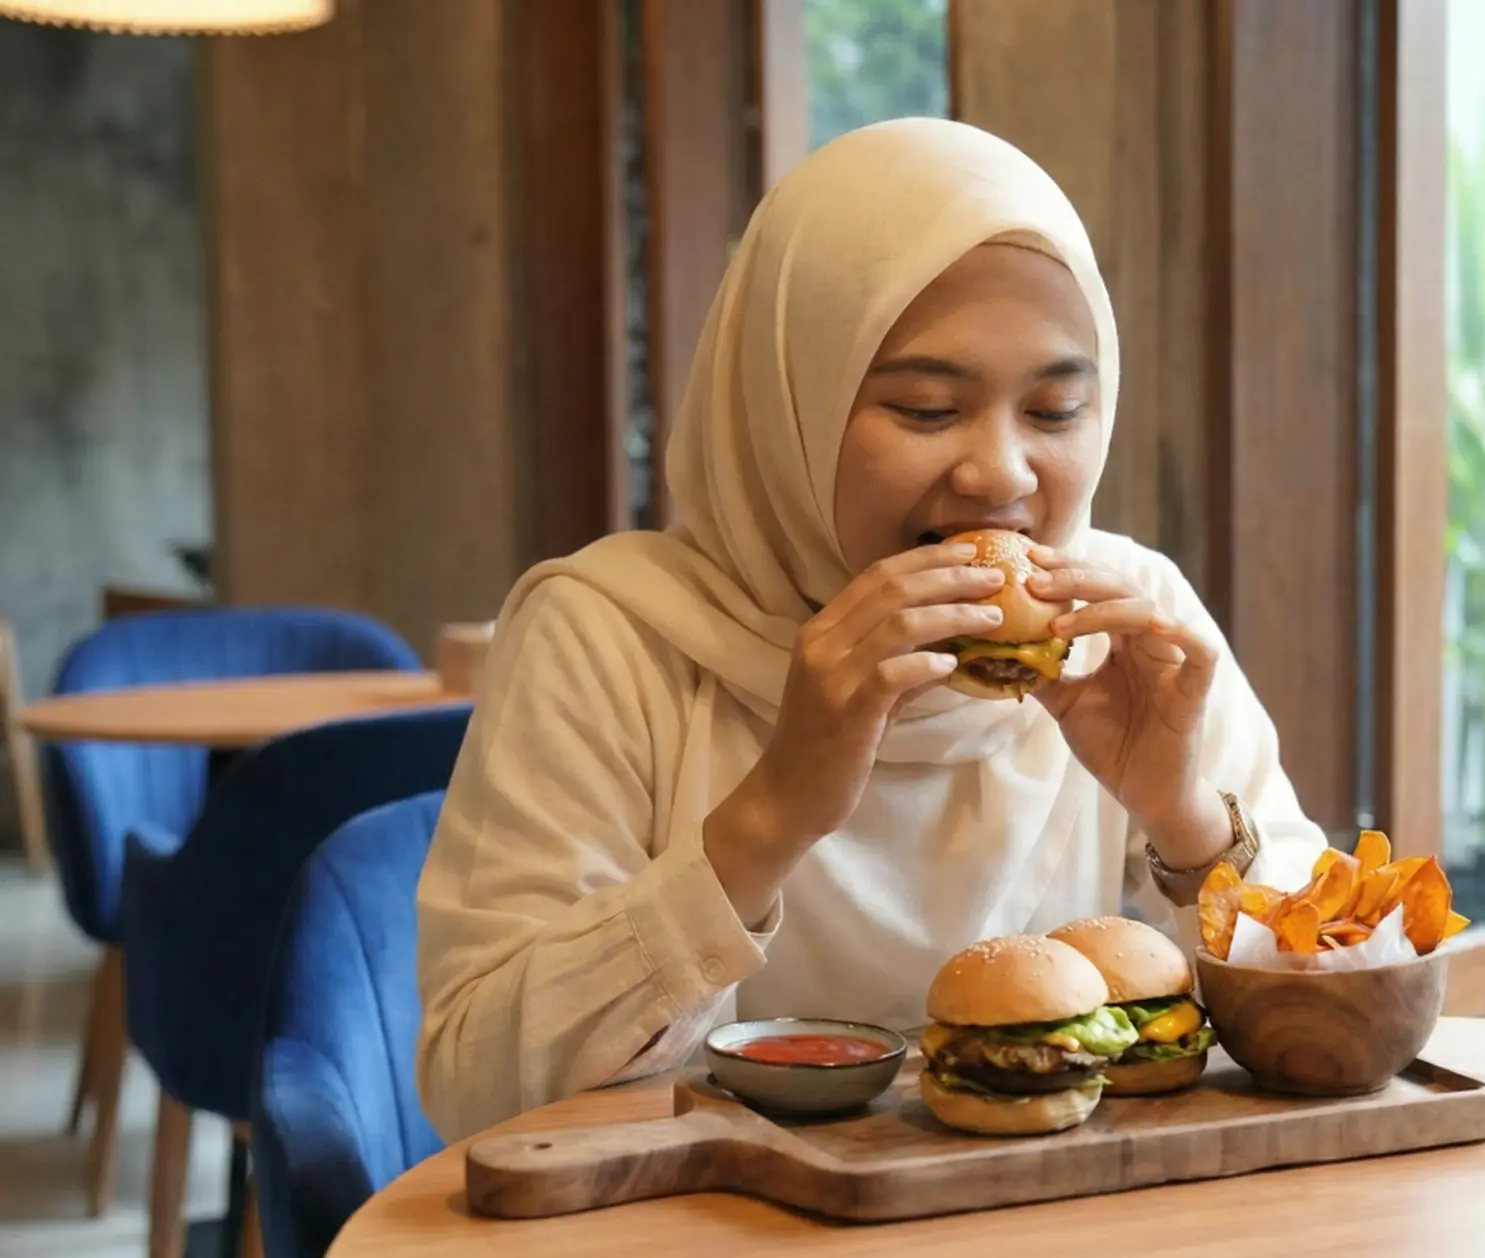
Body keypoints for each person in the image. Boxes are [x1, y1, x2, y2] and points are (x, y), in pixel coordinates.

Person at [413, 118, 1327, 1143]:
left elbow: (1325, 1022)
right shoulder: (614, 637)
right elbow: (477, 1087)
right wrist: (770, 812)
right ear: (783, 404)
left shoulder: (1130, 621)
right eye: (927, 408)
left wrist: (1183, 817)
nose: (1002, 475)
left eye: (1057, 410)